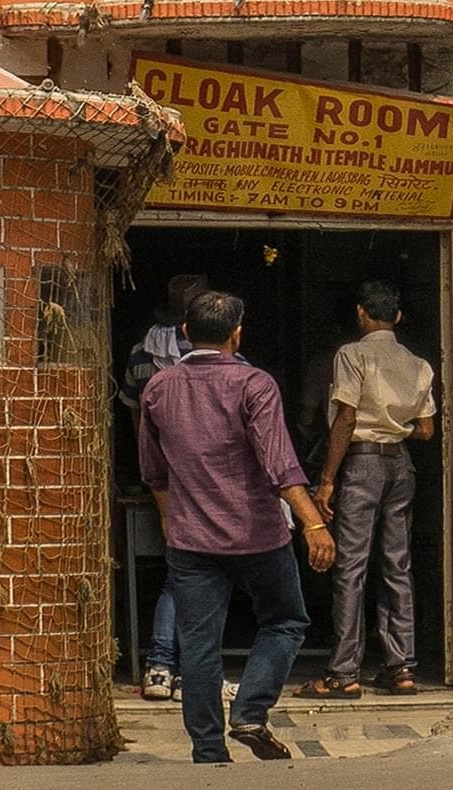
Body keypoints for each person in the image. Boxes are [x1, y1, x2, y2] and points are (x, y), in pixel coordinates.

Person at [134, 284, 332, 765]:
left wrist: (169, 519)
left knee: (198, 644)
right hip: (257, 535)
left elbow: (153, 471)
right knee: (286, 621)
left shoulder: (159, 387)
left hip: (191, 539)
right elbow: (280, 465)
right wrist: (313, 526)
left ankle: (208, 749)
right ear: (236, 335)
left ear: (184, 332)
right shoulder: (254, 385)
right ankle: (250, 709)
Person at [317, 280, 440, 695]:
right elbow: (426, 430)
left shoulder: (352, 355)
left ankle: (344, 672)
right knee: (397, 565)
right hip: (400, 465)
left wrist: (328, 478)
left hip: (361, 463)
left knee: (351, 567)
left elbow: (346, 419)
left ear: (361, 314)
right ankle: (401, 666)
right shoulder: (419, 365)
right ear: (399, 317)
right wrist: (396, 426)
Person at [122, 269, 213, 698]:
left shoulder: (143, 354)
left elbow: (136, 417)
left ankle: (164, 665)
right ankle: (168, 664)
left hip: (163, 475)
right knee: (201, 575)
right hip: (210, 481)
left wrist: (147, 470)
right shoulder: (221, 356)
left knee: (182, 571)